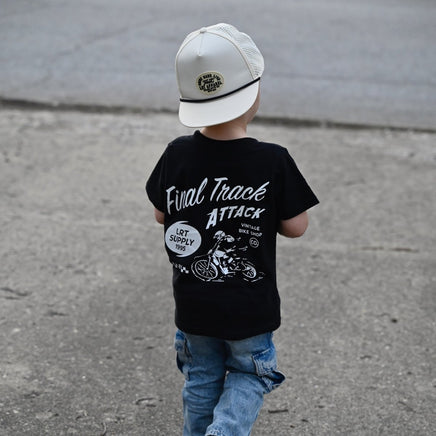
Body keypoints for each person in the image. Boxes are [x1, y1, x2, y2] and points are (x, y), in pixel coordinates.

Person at [146, 23, 319, 436]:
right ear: (253, 93)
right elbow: (296, 227)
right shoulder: (273, 161)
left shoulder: (176, 153)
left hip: (194, 306)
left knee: (202, 377)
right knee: (250, 373)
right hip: (249, 309)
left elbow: (159, 214)